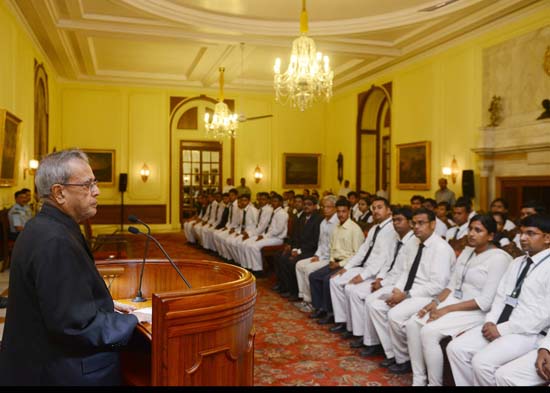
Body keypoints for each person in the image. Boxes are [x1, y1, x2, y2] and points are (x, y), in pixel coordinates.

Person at [0, 149, 146, 385]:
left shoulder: (44, 227)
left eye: (95, 183)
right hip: (59, 371)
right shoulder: (54, 240)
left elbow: (58, 302)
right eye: (87, 185)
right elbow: (75, 327)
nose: (96, 191)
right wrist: (136, 319)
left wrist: (105, 306)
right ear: (59, 193)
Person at [406, 214, 511, 386]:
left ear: (490, 236)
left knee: (429, 332)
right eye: (470, 229)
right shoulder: (468, 251)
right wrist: (435, 303)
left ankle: (435, 383)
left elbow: (485, 301)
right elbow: (452, 284)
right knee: (412, 323)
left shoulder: (499, 258)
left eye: (478, 230)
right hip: (454, 302)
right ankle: (419, 378)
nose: (471, 234)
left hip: (476, 310)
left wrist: (445, 310)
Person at [447, 214, 550, 386]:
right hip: (500, 323)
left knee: (482, 363)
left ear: (547, 238)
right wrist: (490, 321)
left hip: (527, 332)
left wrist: (502, 329)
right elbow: (501, 297)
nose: (523, 238)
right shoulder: (517, 262)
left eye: (531, 233)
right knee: (456, 349)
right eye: (522, 233)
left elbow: (543, 315)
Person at [366, 208, 455, 373]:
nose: (416, 227)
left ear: (433, 224)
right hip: (409, 291)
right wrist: (397, 291)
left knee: (395, 315)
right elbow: (405, 272)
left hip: (429, 296)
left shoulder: (441, 248)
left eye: (421, 223)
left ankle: (404, 360)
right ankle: (393, 354)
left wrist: (406, 295)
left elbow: (437, 286)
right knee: (376, 306)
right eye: (414, 223)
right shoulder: (413, 243)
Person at [328, 197, 396, 341]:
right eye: (374, 208)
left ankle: (358, 332)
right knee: (335, 280)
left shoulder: (391, 230)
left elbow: (382, 259)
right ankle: (343, 321)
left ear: (389, 210)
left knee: (352, 289)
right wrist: (346, 267)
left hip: (376, 272)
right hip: (365, 267)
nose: (376, 211)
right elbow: (362, 251)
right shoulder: (374, 228)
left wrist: (363, 276)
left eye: (379, 207)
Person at [308, 198, 364, 325]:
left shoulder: (355, 229)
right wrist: (333, 261)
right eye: (338, 212)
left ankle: (330, 313)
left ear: (349, 211)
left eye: (343, 211)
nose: (340, 214)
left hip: (348, 264)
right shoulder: (336, 227)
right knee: (314, 276)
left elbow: (358, 255)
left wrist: (340, 264)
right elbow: (332, 247)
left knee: (328, 280)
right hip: (335, 262)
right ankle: (320, 307)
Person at [294, 195, 339, 312]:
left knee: (309, 269)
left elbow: (335, 246)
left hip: (330, 258)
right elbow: (320, 242)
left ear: (335, 208)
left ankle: (312, 302)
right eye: (324, 206)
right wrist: (317, 255)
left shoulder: (337, 222)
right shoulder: (323, 222)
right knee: (299, 264)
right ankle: (304, 297)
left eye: (328, 207)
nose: (325, 209)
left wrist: (326, 258)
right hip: (321, 255)